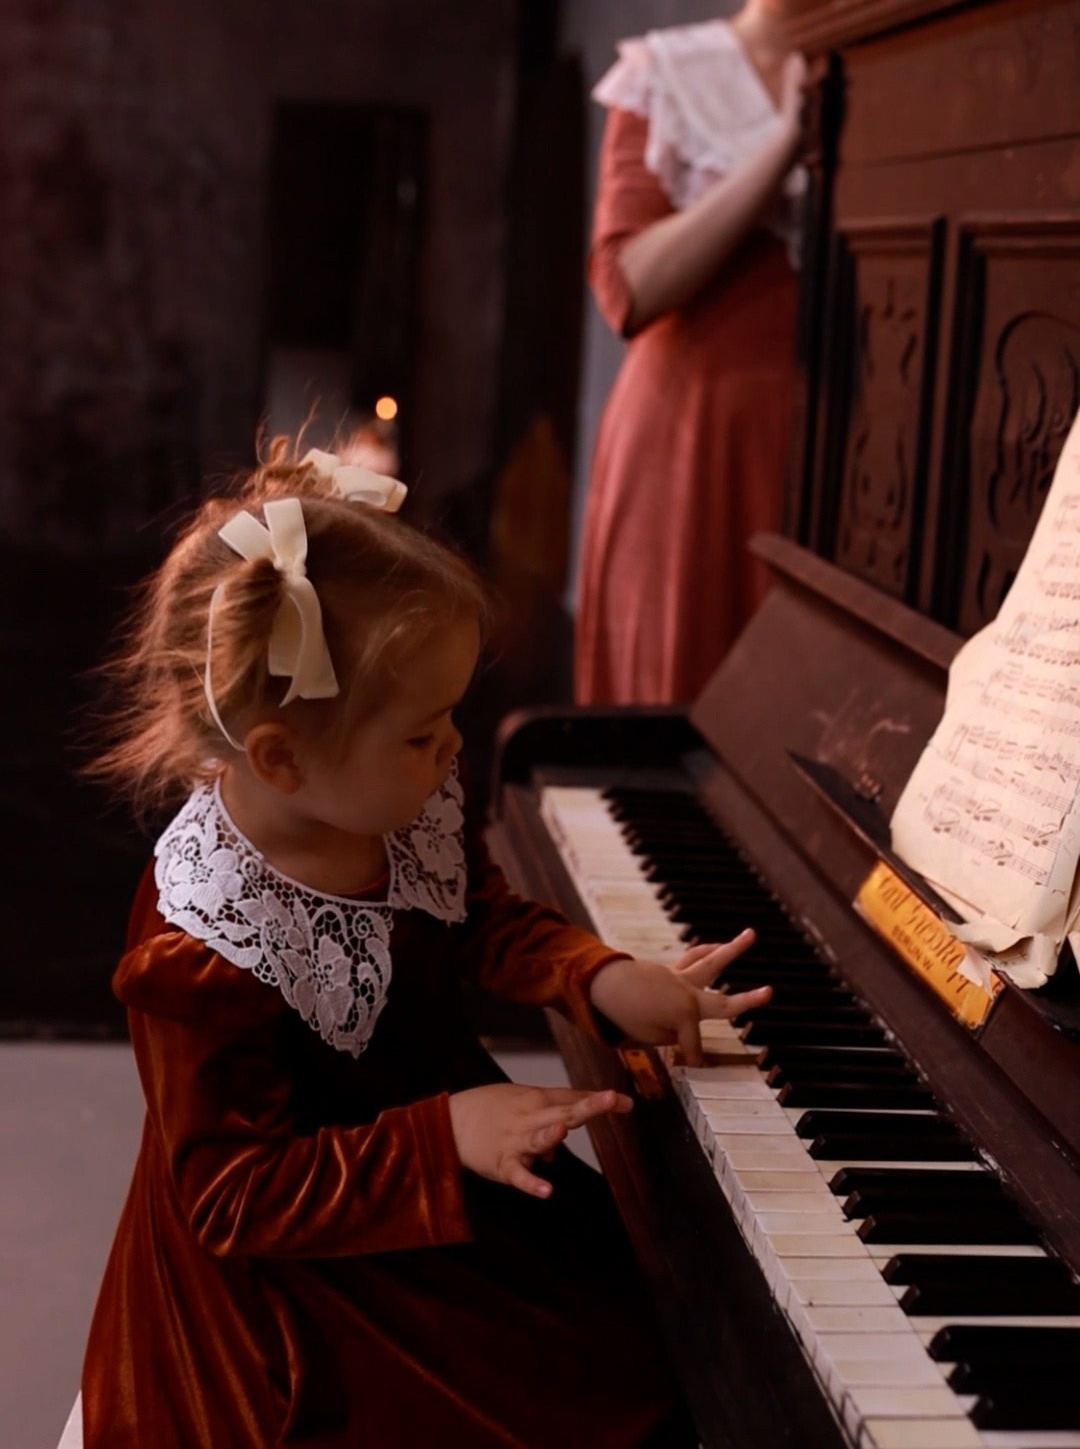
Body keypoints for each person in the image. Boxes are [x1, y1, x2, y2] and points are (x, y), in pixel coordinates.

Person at [78, 440, 771, 1448]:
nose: (451, 750)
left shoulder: (388, 803)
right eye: (422, 732)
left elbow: (471, 911)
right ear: (283, 759)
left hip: (432, 1165)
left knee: (643, 1322)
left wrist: (598, 975)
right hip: (305, 1269)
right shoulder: (202, 947)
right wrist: (439, 1139)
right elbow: (231, 1196)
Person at [575, 0, 886, 705]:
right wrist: (785, 141)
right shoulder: (666, 73)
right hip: (689, 449)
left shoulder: (906, 66)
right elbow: (626, 285)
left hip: (849, 450)